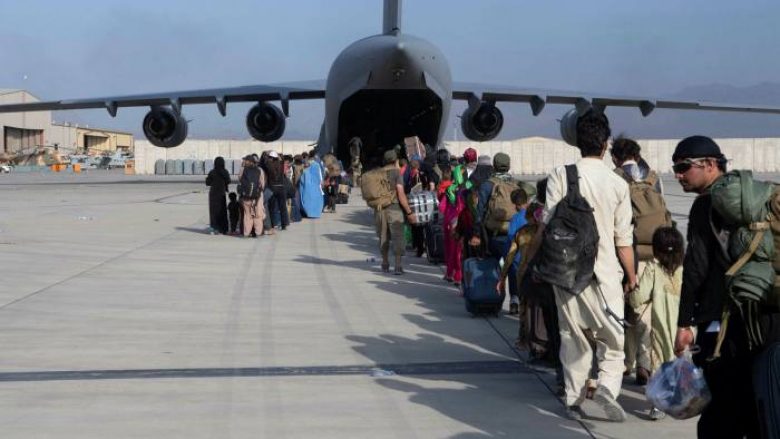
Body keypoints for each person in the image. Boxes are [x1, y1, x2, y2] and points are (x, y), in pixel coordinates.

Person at [526, 110, 635, 422]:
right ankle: (607, 389)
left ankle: (573, 400)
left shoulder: (562, 175)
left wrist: (532, 261)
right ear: (605, 144)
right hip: (605, 275)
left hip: (567, 272)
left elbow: (546, 225)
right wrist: (631, 275)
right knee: (612, 342)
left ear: (578, 143)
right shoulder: (617, 183)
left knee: (573, 337)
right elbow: (622, 239)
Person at [670, 135, 763, 438]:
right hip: (761, 317)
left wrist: (684, 322)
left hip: (720, 323)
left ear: (711, 165)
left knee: (719, 407)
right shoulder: (753, 202)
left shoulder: (705, 206)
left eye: (684, 167)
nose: (677, 175)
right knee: (754, 403)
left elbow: (695, 269)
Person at [610, 136, 666, 385]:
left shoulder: (615, 178)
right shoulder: (654, 179)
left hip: (626, 253)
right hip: (656, 253)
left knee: (626, 310)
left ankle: (629, 362)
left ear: (616, 157)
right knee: (646, 309)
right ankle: (643, 362)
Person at [628, 226, 683, 420]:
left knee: (660, 363)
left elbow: (639, 296)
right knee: (680, 363)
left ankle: (659, 406)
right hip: (685, 328)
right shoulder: (685, 269)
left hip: (661, 327)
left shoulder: (653, 268)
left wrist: (631, 296)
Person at [374, 149, 416, 274]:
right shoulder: (397, 173)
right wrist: (409, 212)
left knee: (383, 236)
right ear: (395, 160)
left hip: (380, 210)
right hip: (394, 209)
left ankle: (385, 263)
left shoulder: (378, 173)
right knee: (398, 236)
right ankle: (397, 266)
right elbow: (401, 194)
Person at [239, 155, 266, 238]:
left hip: (246, 197)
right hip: (257, 196)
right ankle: (258, 232)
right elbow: (262, 183)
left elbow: (240, 179)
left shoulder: (243, 169)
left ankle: (246, 233)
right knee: (258, 214)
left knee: (247, 215)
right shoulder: (259, 170)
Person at [205, 156, 230, 234]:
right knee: (222, 211)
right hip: (221, 194)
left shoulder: (212, 172)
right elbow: (228, 181)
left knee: (213, 212)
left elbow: (207, 183)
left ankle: (214, 228)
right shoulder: (225, 172)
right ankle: (223, 228)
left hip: (213, 194)